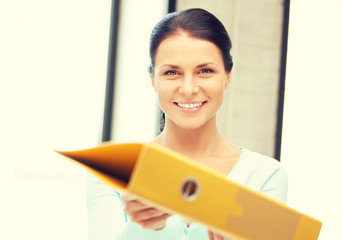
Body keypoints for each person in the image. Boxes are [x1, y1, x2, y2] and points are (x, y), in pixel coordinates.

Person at [87, 8, 288, 240]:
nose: (189, 89)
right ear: (152, 78)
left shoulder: (266, 176)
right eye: (172, 72)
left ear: (228, 75)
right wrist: (148, 226)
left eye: (205, 71)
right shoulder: (110, 175)